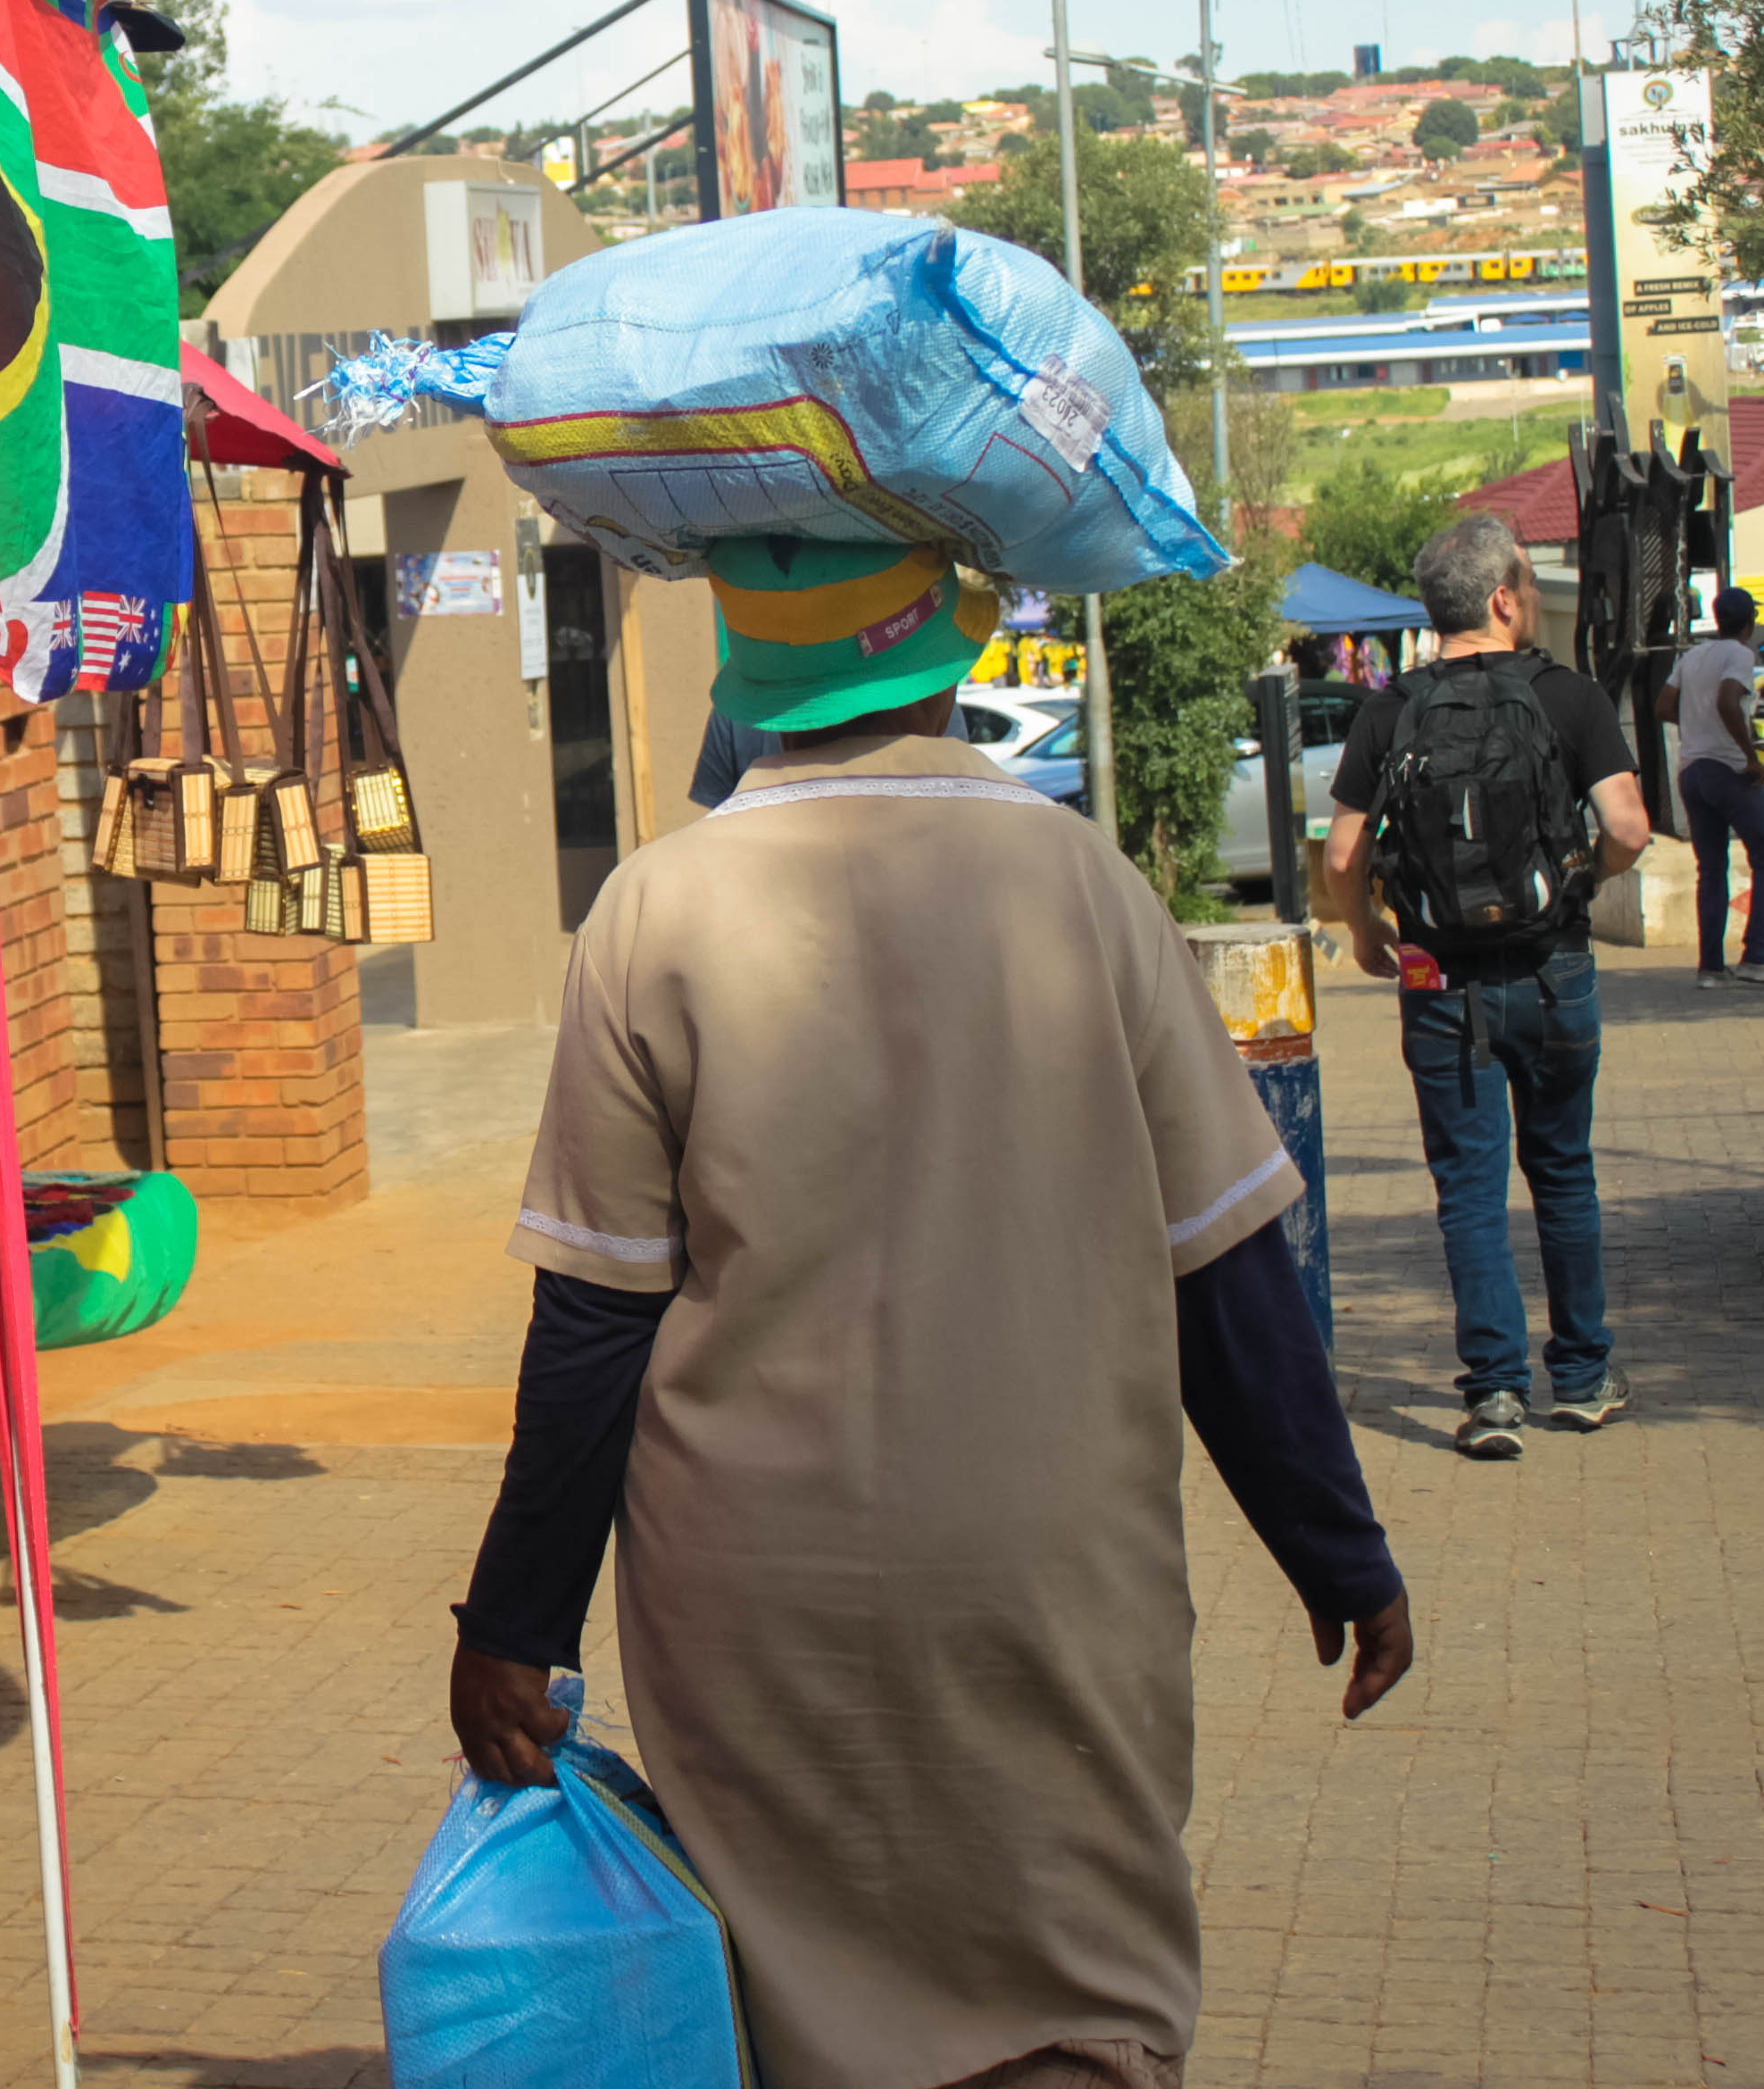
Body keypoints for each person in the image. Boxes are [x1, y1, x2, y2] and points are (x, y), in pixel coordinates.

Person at [449, 533, 1410, 2089]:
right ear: (951, 641)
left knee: (783, 1991)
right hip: (1048, 1571)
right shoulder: (1084, 888)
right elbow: (1225, 1267)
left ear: (743, 660)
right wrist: (1335, 1546)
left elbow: (594, 1323)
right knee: (1068, 1983)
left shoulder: (650, 912)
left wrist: (515, 1624)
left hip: (748, 1602)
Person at [1317, 514, 1654, 1459]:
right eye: (1529, 586)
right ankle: (1581, 1378)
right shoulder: (1569, 697)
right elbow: (1629, 829)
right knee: (1563, 1170)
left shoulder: (1390, 709)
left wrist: (1367, 931)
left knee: (1468, 1185)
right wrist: (1580, 881)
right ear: (1504, 599)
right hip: (1554, 971)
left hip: (1438, 977)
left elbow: (1342, 854)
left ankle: (1495, 1395)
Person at [1665, 587, 1764, 986]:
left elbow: (1663, 705)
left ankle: (1711, 969)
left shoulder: (1692, 656)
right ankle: (1754, 956)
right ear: (1749, 623)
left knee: (1711, 870)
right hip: (1729, 769)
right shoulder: (1740, 655)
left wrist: (1694, 726)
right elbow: (1729, 701)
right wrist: (1750, 756)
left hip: (1692, 771)